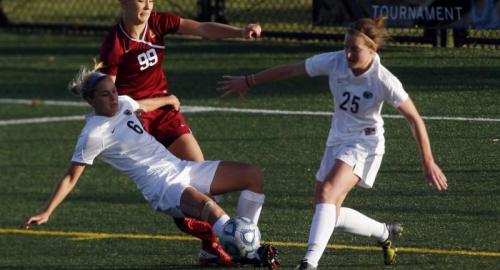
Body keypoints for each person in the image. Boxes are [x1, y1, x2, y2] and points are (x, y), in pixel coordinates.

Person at [217, 17, 448, 269]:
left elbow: (414, 118)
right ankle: (384, 232)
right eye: (346, 46)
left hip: (365, 143)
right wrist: (249, 81)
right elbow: (291, 70)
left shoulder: (383, 79)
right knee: (327, 210)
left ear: (373, 50)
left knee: (327, 193)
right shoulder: (335, 61)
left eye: (355, 49)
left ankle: (309, 264)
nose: (348, 54)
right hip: (337, 140)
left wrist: (428, 161)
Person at [21, 69, 279, 270]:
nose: (112, 97)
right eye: (104, 95)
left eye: (113, 91)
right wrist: (47, 211)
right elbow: (70, 176)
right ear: (90, 100)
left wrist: (169, 99)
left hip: (181, 168)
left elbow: (141, 105)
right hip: (161, 186)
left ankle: (246, 244)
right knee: (210, 209)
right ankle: (251, 253)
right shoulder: (92, 135)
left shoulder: (122, 102)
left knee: (251, 176)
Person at [99, 0, 262, 266]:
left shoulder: (158, 22)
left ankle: (217, 246)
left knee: (202, 181)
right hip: (138, 124)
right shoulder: (115, 43)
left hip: (165, 114)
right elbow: (108, 93)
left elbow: (201, 28)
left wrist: (239, 32)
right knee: (180, 193)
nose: (148, 4)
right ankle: (212, 245)